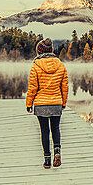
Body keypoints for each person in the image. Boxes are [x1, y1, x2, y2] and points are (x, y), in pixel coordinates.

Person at [25, 38, 68, 168]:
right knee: (55, 128)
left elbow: (32, 87)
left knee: (44, 131)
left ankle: (47, 160)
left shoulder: (36, 65)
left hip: (41, 103)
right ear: (51, 50)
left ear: (39, 51)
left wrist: (29, 104)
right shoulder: (61, 65)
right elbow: (64, 86)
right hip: (56, 102)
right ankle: (57, 152)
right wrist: (63, 103)